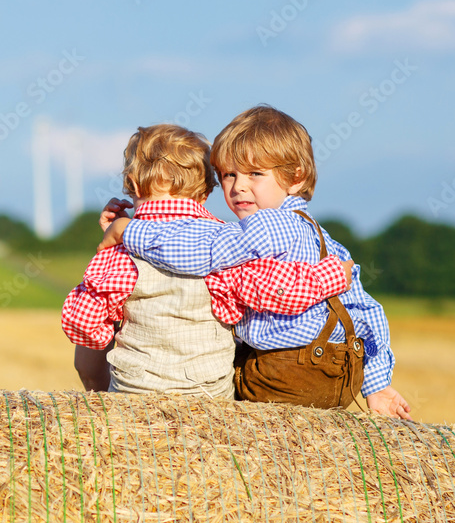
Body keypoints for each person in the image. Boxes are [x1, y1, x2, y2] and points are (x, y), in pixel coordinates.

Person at [100, 106, 412, 419]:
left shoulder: (267, 225)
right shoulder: (323, 238)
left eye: (255, 174)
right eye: (228, 175)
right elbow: (367, 309)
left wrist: (129, 231)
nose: (238, 187)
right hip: (334, 375)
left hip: (279, 371)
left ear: (295, 177)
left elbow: (198, 254)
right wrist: (376, 384)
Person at [62, 123, 352, 398]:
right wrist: (329, 277)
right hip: (209, 394)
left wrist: (107, 249)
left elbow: (84, 325)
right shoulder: (228, 242)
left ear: (133, 184)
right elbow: (272, 288)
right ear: (207, 190)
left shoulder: (120, 251)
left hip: (134, 390)